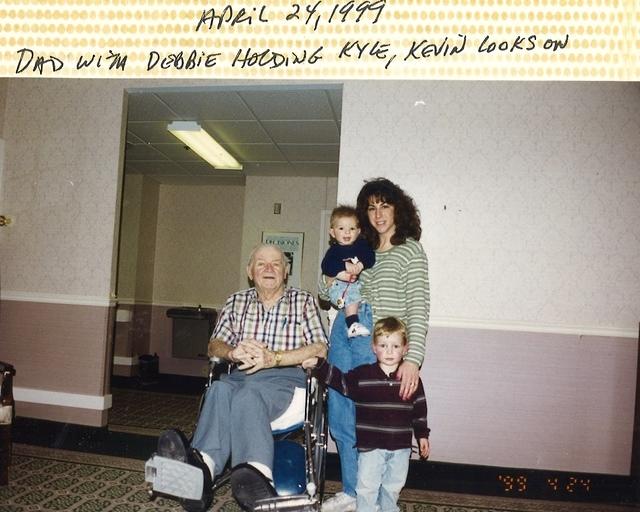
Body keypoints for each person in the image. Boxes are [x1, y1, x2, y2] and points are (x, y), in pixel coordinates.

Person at [147, 244, 328, 512]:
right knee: (219, 389)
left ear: (286, 271)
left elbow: (320, 347)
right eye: (261, 263)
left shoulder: (303, 301)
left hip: (285, 380)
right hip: (240, 376)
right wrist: (232, 352)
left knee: (247, 395)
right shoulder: (236, 301)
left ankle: (256, 474)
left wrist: (274, 358)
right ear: (249, 271)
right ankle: (201, 471)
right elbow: (214, 345)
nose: (268, 269)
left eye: (276, 263)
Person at [320, 178, 430, 512]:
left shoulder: (410, 249)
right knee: (339, 409)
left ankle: (372, 496)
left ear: (398, 209)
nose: (378, 213)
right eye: (371, 206)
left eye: (385, 205)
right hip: (344, 327)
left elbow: (418, 306)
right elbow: (326, 293)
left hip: (376, 338)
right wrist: (335, 277)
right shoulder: (356, 243)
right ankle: (353, 492)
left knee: (364, 418)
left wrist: (413, 359)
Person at [303, 317, 430, 512]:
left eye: (395, 346)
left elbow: (419, 409)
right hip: (370, 447)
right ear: (373, 347)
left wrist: (422, 436)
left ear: (406, 349)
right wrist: (320, 365)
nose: (389, 351)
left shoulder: (410, 379)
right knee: (366, 488)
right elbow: (341, 382)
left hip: (401, 448)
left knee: (393, 487)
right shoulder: (363, 375)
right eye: (383, 345)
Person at [320, 205, 376, 338]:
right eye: (341, 228)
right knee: (352, 298)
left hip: (353, 285)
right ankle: (353, 325)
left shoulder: (361, 246)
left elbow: (371, 257)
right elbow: (326, 266)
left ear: (358, 232)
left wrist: (362, 264)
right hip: (338, 286)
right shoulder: (334, 251)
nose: (347, 233)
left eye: (351, 229)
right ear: (333, 233)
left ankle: (348, 322)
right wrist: (343, 268)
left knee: (357, 296)